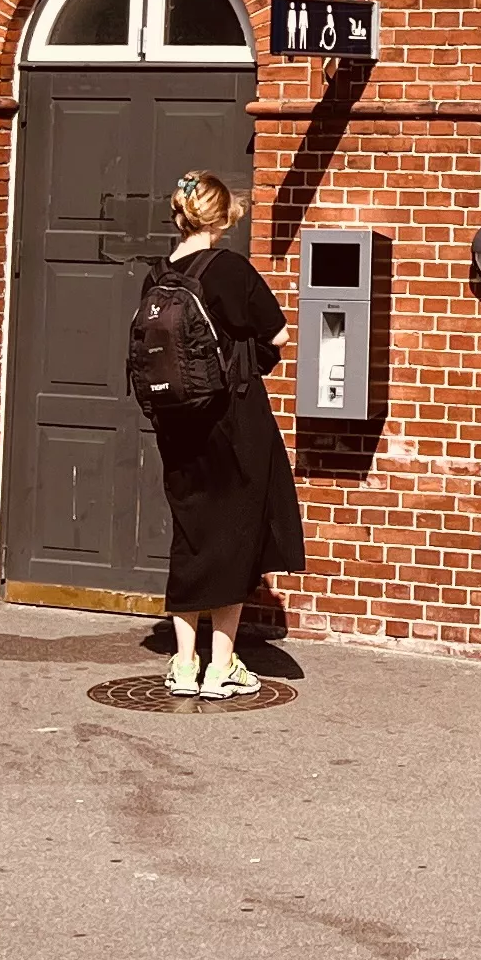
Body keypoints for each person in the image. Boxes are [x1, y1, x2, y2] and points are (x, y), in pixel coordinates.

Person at [138, 170, 298, 699]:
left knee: (191, 536)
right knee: (234, 535)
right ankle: (220, 668)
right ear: (224, 216)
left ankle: (182, 665)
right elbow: (277, 333)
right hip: (234, 419)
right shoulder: (230, 268)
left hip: (178, 424)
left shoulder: (159, 275)